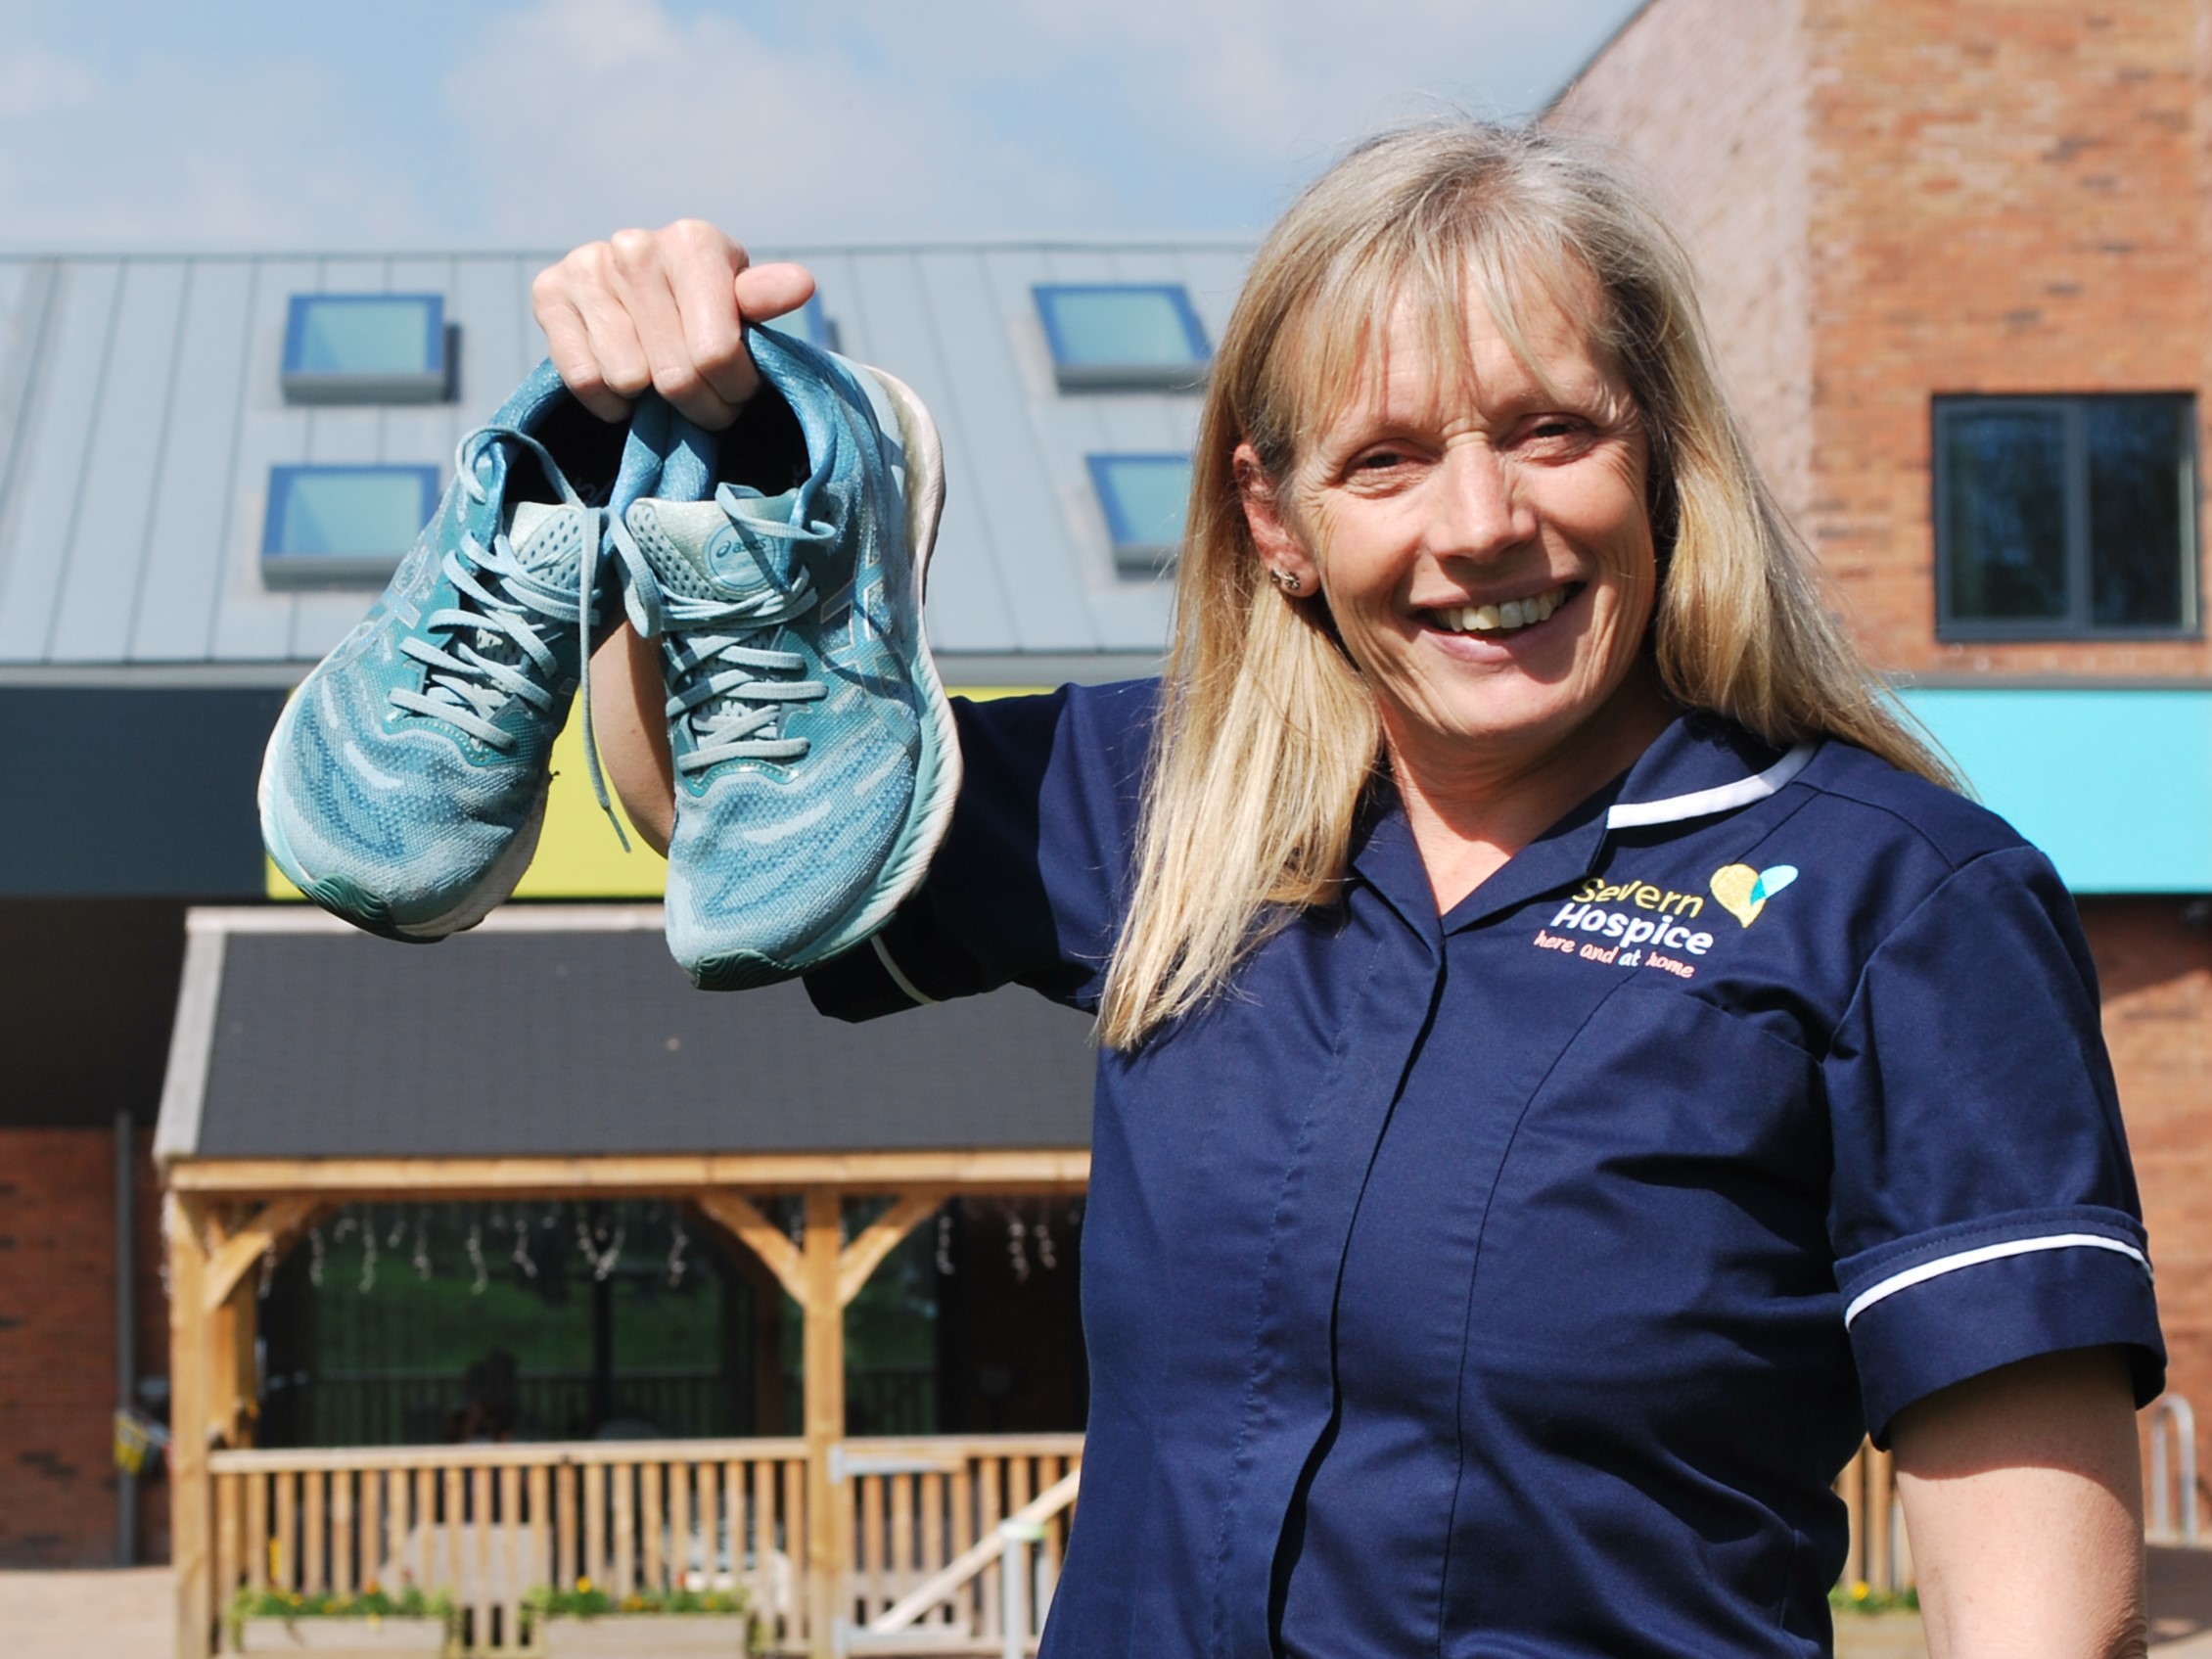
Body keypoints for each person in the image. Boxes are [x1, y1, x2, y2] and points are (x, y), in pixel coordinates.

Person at [533, 124, 2162, 1657]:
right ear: (1277, 519)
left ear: (1658, 453)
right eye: (1384, 462)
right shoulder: (1168, 799)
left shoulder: (1901, 905)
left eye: (1551, 430)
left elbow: (2036, 1604)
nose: (1483, 526)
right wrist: (676, 461)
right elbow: (716, 807)